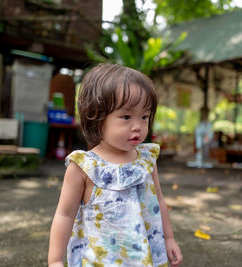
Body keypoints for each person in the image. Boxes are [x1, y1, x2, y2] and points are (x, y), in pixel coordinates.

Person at [48, 64, 183, 267]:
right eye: (126, 117)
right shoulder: (84, 166)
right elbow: (64, 215)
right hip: (101, 260)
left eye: (144, 116)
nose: (137, 126)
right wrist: (55, 260)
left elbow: (159, 202)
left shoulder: (146, 160)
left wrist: (169, 238)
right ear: (97, 116)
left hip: (144, 256)